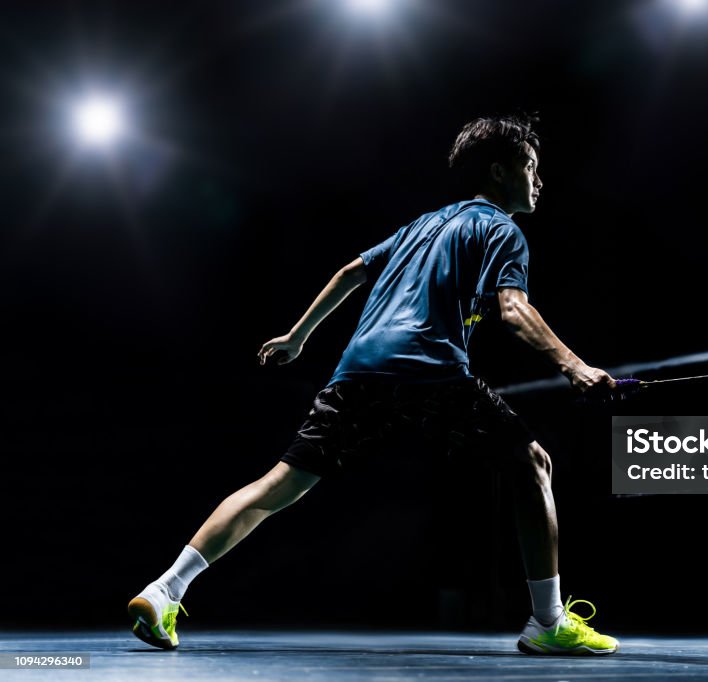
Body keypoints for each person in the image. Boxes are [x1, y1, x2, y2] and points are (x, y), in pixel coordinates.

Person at [127, 113, 620, 656]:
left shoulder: (421, 225)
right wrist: (574, 365)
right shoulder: (502, 229)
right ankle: (548, 622)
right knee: (533, 466)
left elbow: (350, 273)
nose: (539, 179)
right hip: (428, 366)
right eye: (530, 167)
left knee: (279, 486)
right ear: (501, 173)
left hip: (358, 368)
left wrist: (298, 337)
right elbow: (513, 309)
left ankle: (164, 587)